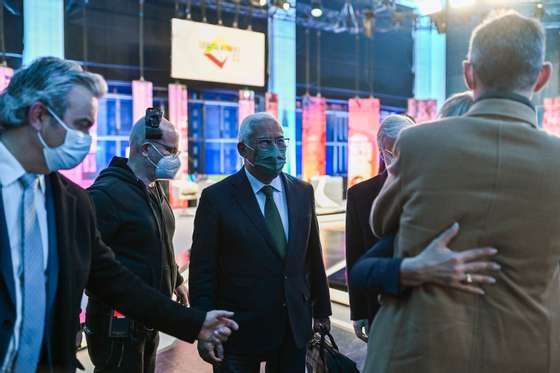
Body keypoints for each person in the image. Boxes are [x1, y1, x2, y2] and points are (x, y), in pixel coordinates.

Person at [0, 57, 237, 373]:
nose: (86, 139)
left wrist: (194, 323)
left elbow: (114, 280)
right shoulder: (103, 195)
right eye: (82, 125)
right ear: (40, 115)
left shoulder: (71, 203)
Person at [366, 10, 560, 373]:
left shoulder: (417, 143)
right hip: (525, 353)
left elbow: (379, 223)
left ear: (469, 73)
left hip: (419, 354)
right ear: (542, 77)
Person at [189, 112, 332, 373]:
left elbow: (312, 254)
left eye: (281, 142)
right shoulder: (217, 198)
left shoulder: (302, 192)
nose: (276, 150)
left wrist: (322, 310)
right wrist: (202, 326)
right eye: (266, 143)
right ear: (243, 149)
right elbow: (203, 269)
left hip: (293, 325)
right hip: (238, 329)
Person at [346, 97, 478, 343]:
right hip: (387, 307)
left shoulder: (437, 188)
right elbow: (358, 260)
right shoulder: (363, 195)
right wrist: (360, 310)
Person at [85, 114, 189, 373]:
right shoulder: (106, 195)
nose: (175, 158)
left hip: (148, 319)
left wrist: (175, 280)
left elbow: (157, 242)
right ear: (146, 149)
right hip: (116, 327)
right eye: (171, 150)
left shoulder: (154, 189)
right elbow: (88, 265)